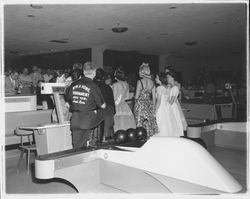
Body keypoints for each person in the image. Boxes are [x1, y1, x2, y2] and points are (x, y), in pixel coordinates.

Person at [65, 62, 111, 149]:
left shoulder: (73, 84)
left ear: (83, 72)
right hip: (87, 119)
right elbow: (103, 106)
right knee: (109, 109)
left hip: (74, 120)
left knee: (77, 147)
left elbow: (68, 102)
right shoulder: (93, 86)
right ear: (94, 72)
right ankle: (105, 137)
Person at [134, 63, 158, 137]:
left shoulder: (140, 82)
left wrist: (134, 99)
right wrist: (153, 109)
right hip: (149, 105)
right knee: (149, 124)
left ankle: (140, 139)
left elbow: (136, 96)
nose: (138, 73)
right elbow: (154, 99)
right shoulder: (152, 83)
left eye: (139, 71)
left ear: (142, 72)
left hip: (140, 105)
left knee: (140, 123)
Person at [94, 68, 116, 142]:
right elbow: (111, 102)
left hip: (94, 113)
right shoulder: (107, 87)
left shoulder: (92, 86)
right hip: (107, 113)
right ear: (103, 77)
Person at [112, 67, 136, 132]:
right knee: (127, 123)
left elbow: (114, 97)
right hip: (124, 105)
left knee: (118, 124)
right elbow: (127, 97)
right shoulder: (126, 84)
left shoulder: (115, 85)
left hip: (117, 105)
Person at [167, 71, 187, 135]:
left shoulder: (175, 88)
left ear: (173, 78)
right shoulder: (170, 87)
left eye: (168, 77)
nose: (167, 79)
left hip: (172, 107)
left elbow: (171, 101)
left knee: (174, 122)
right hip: (170, 106)